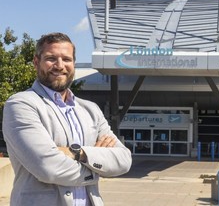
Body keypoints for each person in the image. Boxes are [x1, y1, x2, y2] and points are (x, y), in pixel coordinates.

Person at [2, 32, 132, 206]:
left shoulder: (90, 110)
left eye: (66, 59)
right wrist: (98, 169)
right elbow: (47, 167)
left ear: (74, 64)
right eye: (51, 58)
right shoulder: (21, 104)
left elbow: (123, 159)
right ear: (36, 62)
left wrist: (78, 153)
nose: (59, 65)